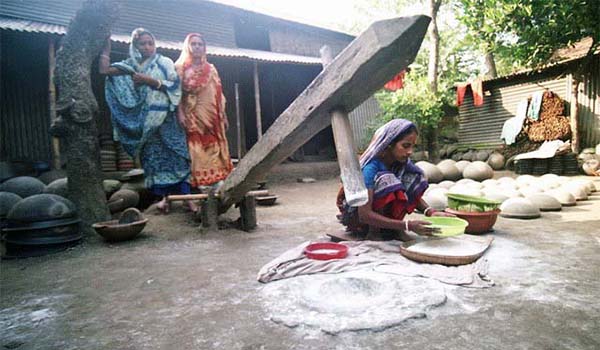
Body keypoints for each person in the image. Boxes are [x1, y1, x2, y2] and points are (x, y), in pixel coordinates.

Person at [99, 28, 197, 213]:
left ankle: (188, 199)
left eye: (150, 43)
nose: (147, 47)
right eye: (142, 43)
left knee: (179, 157)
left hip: (167, 120)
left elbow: (175, 86)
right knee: (154, 161)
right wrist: (106, 50)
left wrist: (150, 81)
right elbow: (104, 71)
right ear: (135, 46)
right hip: (147, 124)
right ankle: (165, 199)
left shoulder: (164, 63)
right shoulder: (130, 65)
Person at [336, 118, 453, 241]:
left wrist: (430, 212)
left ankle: (394, 229)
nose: (410, 152)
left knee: (413, 176)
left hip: (384, 219)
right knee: (386, 181)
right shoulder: (370, 169)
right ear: (389, 144)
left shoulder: (400, 164)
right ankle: (374, 233)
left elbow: (404, 192)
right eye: (405, 146)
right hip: (360, 221)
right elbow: (364, 215)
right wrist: (407, 226)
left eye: (413, 146)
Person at [175, 33, 233, 189]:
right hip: (191, 112)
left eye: (200, 44)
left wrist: (224, 115)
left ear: (204, 47)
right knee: (196, 144)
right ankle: (202, 181)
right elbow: (176, 93)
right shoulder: (180, 68)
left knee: (213, 143)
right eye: (193, 44)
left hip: (212, 114)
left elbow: (218, 93)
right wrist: (180, 113)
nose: (197, 47)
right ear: (188, 46)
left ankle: (216, 179)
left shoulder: (211, 69)